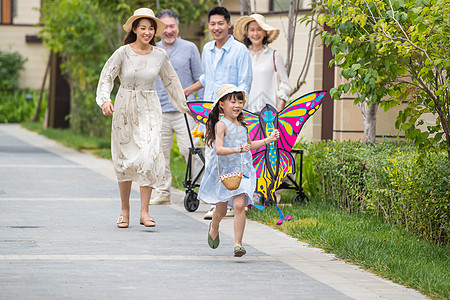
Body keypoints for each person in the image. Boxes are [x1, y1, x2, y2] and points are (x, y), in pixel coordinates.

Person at [96, 8, 189, 228]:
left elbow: (171, 82)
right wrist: (104, 101)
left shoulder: (160, 55)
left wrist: (186, 108)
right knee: (123, 160)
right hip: (125, 109)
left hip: (149, 108)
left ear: (155, 31)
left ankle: (145, 212)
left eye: (151, 28)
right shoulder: (122, 53)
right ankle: (124, 211)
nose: (147, 32)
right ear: (135, 29)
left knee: (149, 155)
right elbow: (107, 78)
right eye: (143, 28)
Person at [184, 6, 253, 220]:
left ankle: (234, 202)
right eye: (212, 24)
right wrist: (189, 90)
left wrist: (236, 110)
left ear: (229, 24)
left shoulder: (240, 50)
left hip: (231, 115)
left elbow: (244, 83)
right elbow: (208, 78)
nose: (216, 27)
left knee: (233, 157)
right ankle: (218, 202)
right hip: (212, 114)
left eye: (220, 23)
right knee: (213, 156)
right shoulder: (207, 49)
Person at [198, 84, 279, 257]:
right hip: (224, 173)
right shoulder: (221, 125)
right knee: (220, 211)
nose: (237, 105)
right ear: (222, 104)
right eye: (232, 101)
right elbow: (219, 150)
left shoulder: (243, 125)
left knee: (239, 205)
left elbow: (249, 146)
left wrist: (268, 140)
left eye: (240, 102)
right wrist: (238, 149)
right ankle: (214, 225)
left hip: (241, 171)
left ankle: (238, 244)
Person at [151, 9, 204, 205]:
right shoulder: (153, 49)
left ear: (178, 27)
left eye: (172, 26)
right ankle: (163, 193)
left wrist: (201, 111)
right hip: (160, 110)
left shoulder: (190, 48)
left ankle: (200, 189)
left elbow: (201, 79)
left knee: (190, 150)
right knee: (160, 154)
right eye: (165, 27)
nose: (169, 31)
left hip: (186, 111)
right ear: (159, 29)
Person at [233, 14, 291, 113]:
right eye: (252, 30)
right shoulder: (243, 56)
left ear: (265, 32)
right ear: (247, 33)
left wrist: (281, 103)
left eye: (259, 29)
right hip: (247, 111)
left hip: (270, 111)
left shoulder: (274, 55)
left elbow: (285, 83)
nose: (255, 33)